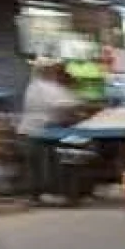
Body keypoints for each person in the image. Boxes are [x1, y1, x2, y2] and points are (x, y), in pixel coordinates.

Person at [18, 59, 80, 202]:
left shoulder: (55, 86)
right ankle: (42, 193)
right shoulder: (39, 86)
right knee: (41, 164)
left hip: (51, 131)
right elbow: (59, 104)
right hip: (37, 131)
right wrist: (78, 105)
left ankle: (55, 191)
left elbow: (68, 102)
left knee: (52, 162)